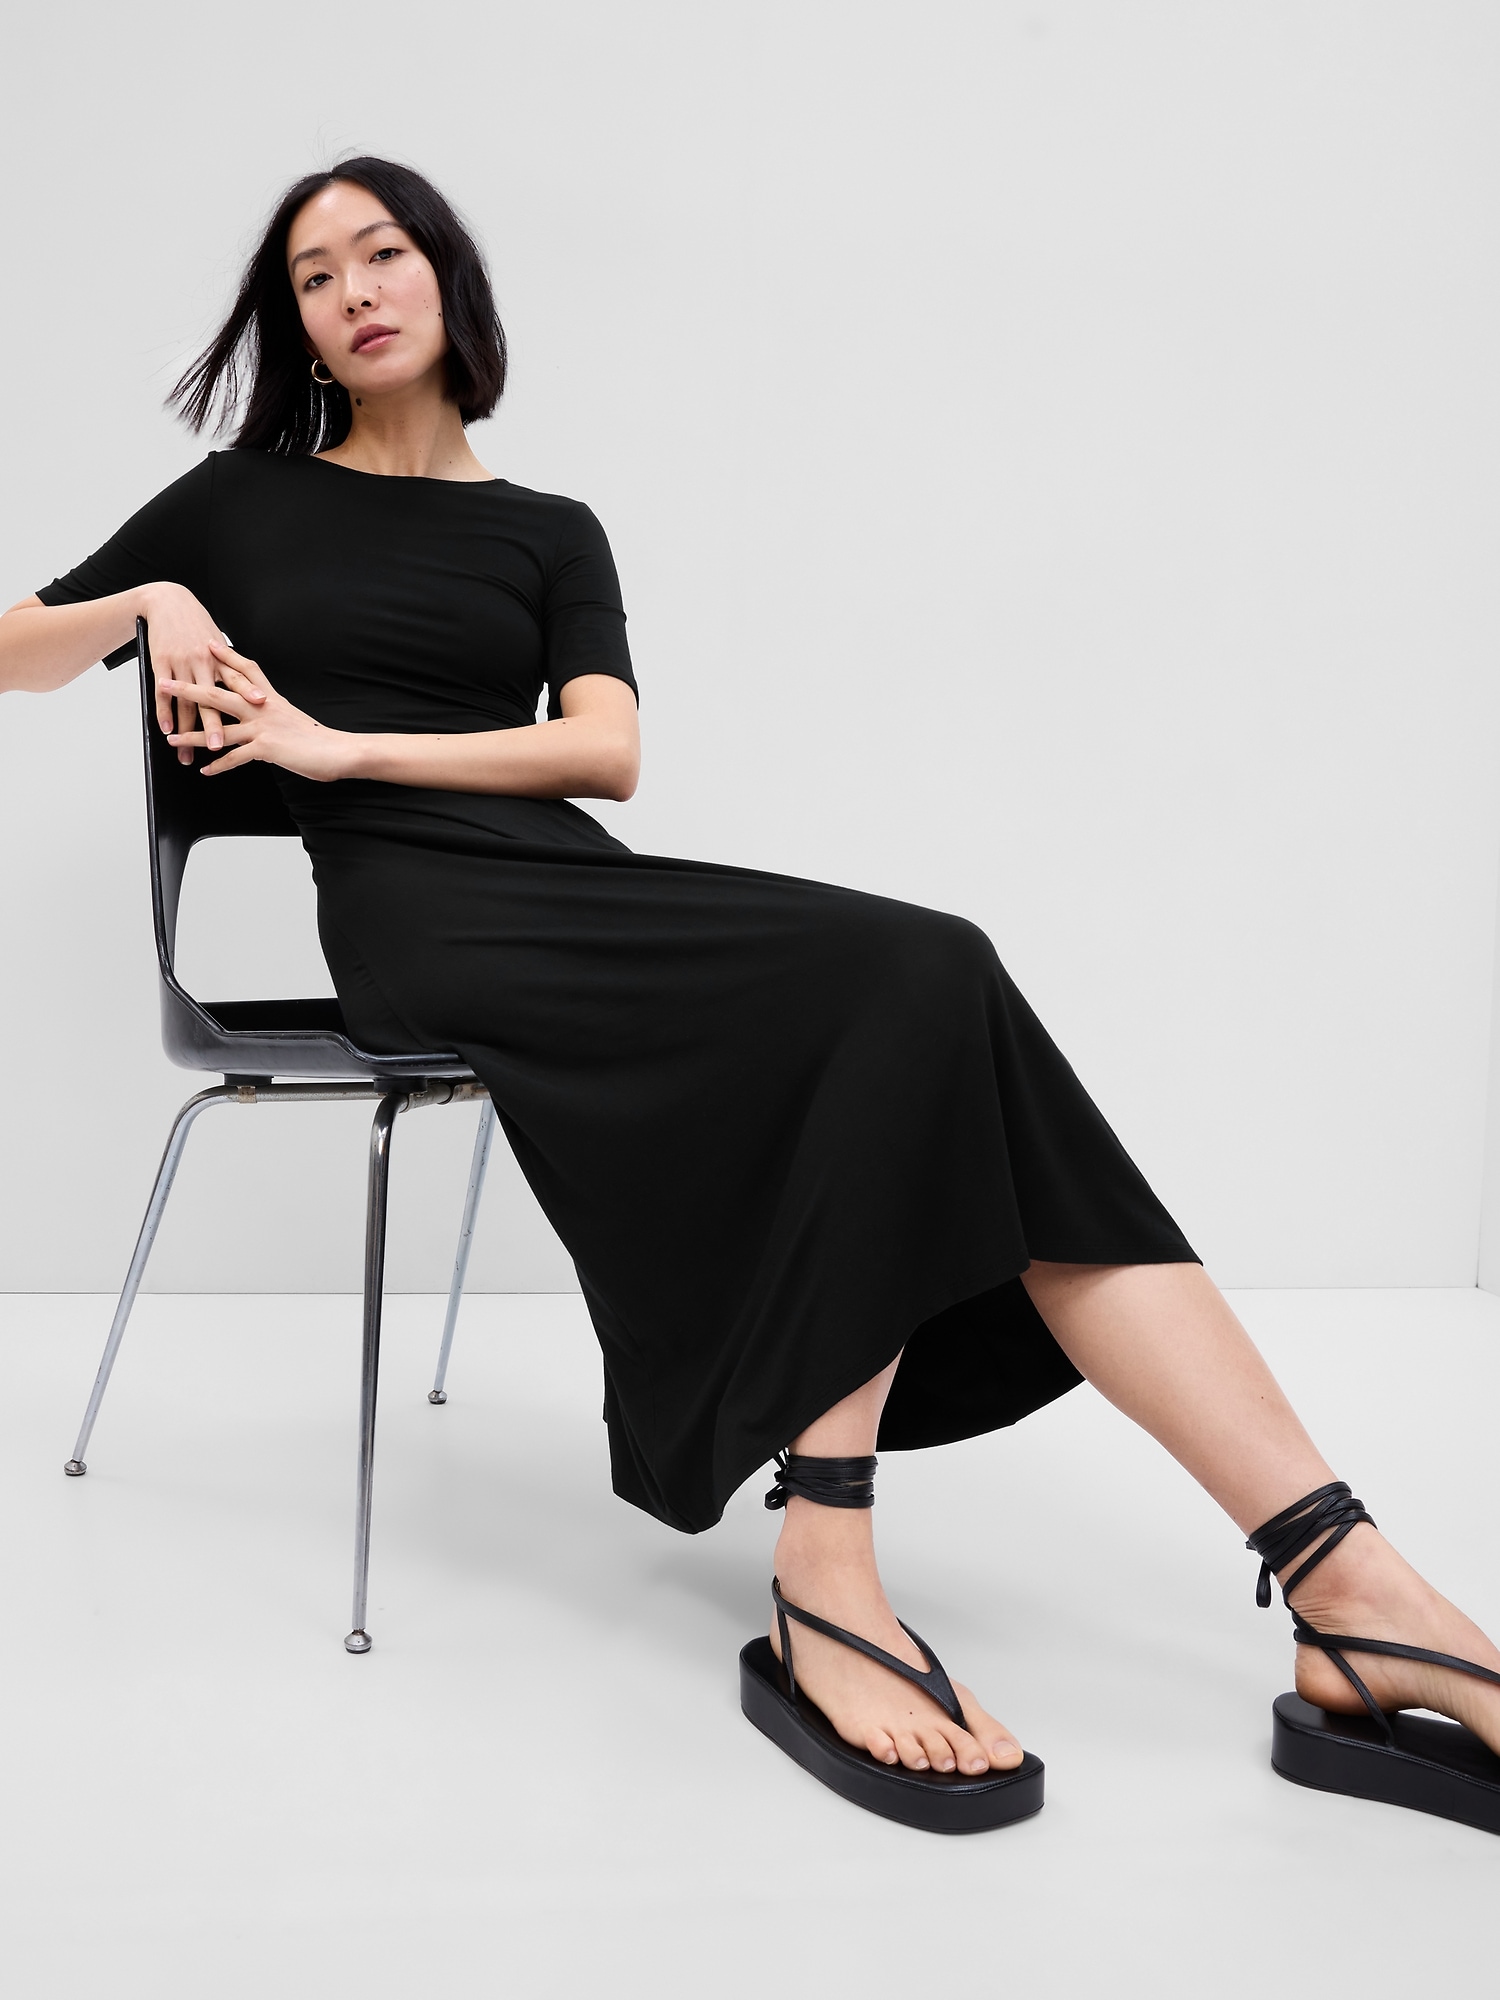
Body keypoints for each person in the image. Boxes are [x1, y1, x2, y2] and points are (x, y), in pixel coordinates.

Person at [4, 156, 1497, 1836]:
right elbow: (10, 648)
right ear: (295, 324)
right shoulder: (234, 504)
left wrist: (341, 744)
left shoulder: (549, 529)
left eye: (385, 250)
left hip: (569, 881)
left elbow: (606, 752)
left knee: (923, 982)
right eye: (314, 274)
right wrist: (150, 598)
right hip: (421, 921)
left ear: (447, 276)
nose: (354, 288)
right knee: (906, 982)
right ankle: (897, 1578)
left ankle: (1336, 1574)